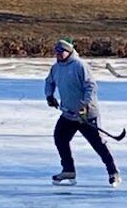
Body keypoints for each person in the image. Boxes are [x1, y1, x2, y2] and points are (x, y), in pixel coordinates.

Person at [45, 37, 121, 187]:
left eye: (61, 52)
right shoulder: (56, 68)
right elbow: (49, 82)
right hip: (69, 114)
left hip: (86, 114)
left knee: (98, 144)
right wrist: (49, 96)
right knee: (60, 138)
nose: (58, 55)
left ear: (69, 51)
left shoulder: (79, 66)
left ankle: (113, 172)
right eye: (56, 52)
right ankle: (68, 170)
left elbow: (91, 87)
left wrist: (84, 105)